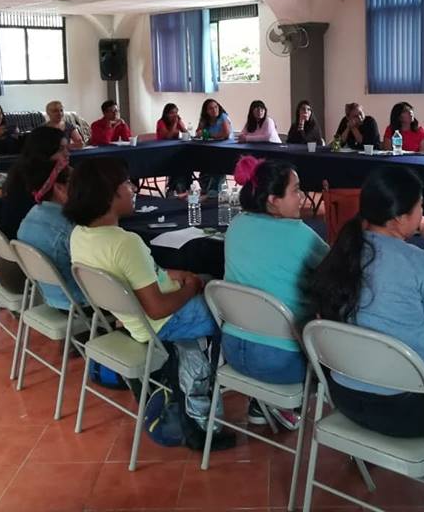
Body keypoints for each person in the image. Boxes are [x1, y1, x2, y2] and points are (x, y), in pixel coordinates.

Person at [66, 158, 233, 447]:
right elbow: (157, 308)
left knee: (206, 282)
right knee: (232, 307)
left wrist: (175, 276)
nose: (132, 189)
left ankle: (187, 366)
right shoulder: (125, 243)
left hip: (131, 318)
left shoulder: (80, 235)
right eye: (126, 184)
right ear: (109, 194)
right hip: (161, 322)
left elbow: (141, 276)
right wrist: (190, 288)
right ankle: (225, 400)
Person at [306, 166, 424, 438]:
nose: (423, 211)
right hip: (408, 411)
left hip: (343, 395)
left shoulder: (341, 253)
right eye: (420, 205)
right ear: (399, 218)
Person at [224, 156, 330, 430]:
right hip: (282, 363)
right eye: (295, 191)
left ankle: (262, 401)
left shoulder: (236, 225)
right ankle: (280, 402)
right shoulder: (300, 235)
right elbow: (336, 269)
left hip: (233, 350)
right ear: (273, 200)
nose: (301, 197)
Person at [0, 127, 71, 293]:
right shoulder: (37, 186)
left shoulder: (21, 173)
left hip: (14, 260)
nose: (67, 154)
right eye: (61, 149)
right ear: (43, 152)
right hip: (22, 269)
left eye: (67, 148)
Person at [17, 158, 86, 311]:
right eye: (75, 183)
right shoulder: (69, 228)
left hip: (49, 297)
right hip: (80, 303)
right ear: (59, 188)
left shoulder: (29, 217)